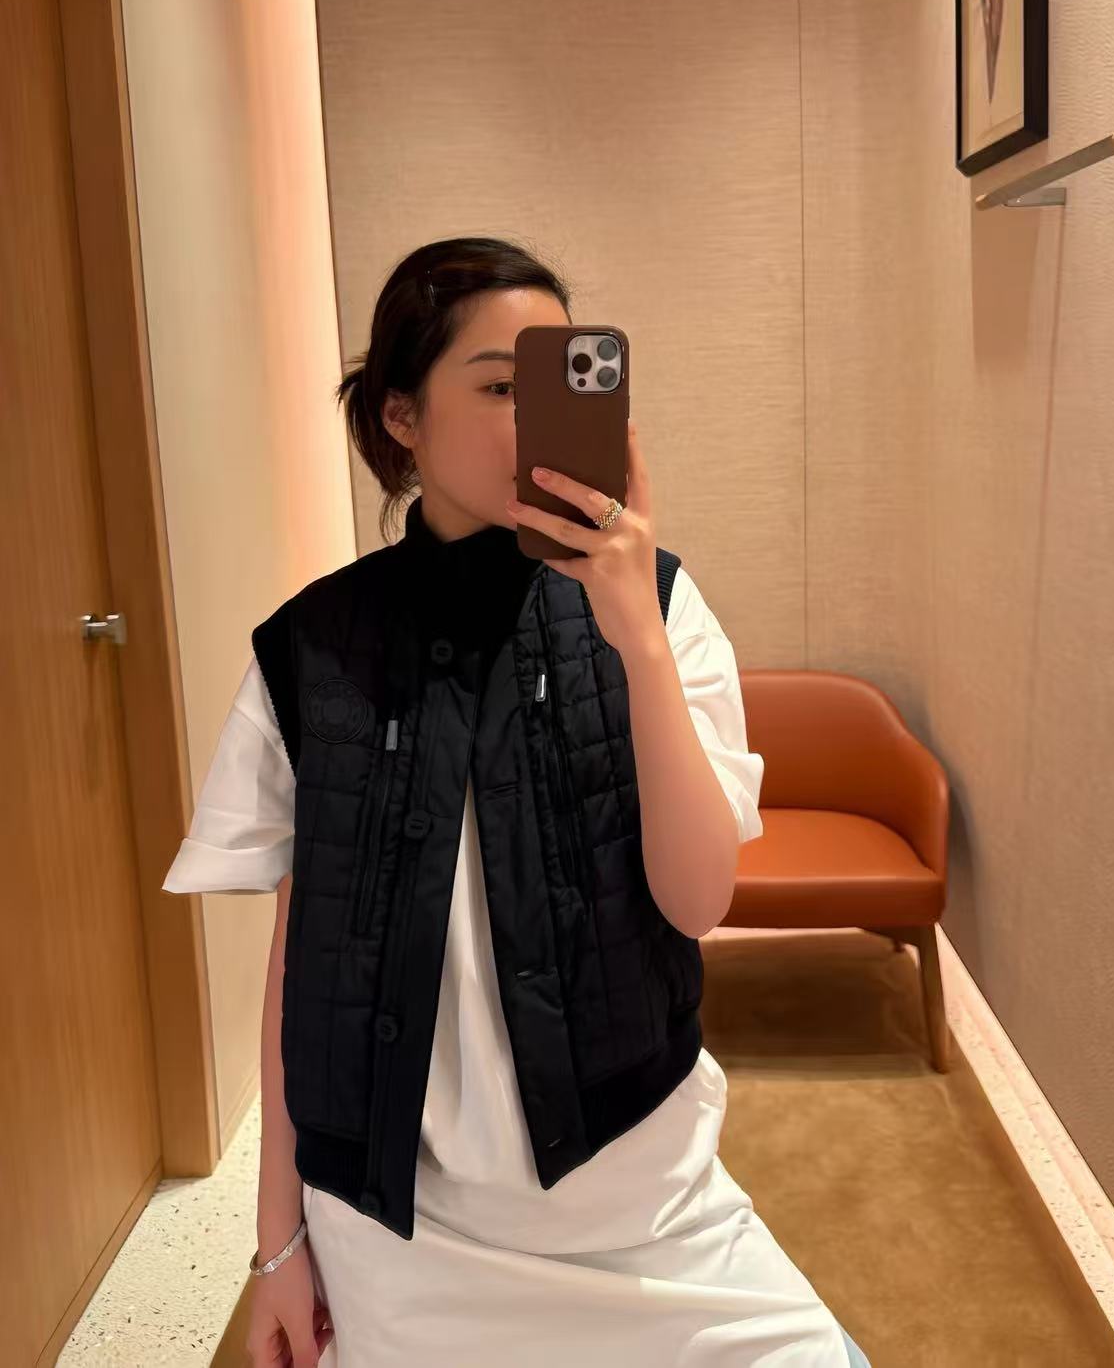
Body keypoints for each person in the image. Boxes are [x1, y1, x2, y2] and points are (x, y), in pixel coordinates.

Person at [164, 238, 872, 1367]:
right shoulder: (312, 651)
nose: (532, 421)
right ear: (401, 415)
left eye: (551, 387)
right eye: (499, 387)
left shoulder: (662, 608)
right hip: (402, 1231)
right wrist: (277, 1241)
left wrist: (635, 634)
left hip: (640, 1201)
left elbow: (697, 901)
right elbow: (304, 967)